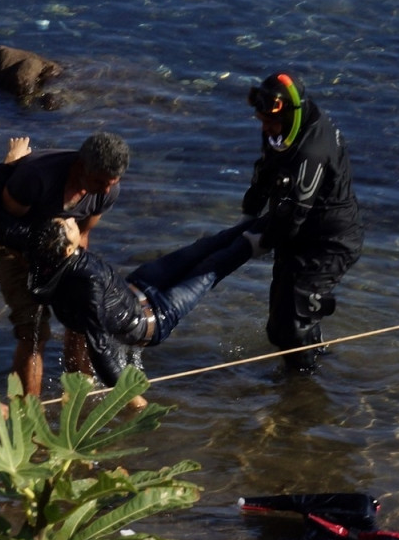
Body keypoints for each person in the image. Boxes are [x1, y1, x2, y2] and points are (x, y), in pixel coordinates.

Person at [27, 215, 261, 393]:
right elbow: (99, 348)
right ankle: (265, 234)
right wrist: (127, 395)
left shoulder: (43, 264)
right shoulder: (88, 281)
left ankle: (254, 221)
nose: (71, 219)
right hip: (157, 316)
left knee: (204, 247)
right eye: (68, 226)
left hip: (140, 284)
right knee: (211, 268)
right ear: (68, 250)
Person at [0, 132, 129, 397]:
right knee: (33, 331)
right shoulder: (36, 177)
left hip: (62, 253)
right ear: (81, 167)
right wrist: (38, 273)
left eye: (112, 183)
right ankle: (28, 413)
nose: (106, 190)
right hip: (13, 248)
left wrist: (79, 282)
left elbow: (82, 234)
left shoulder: (106, 190)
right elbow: (1, 227)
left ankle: (78, 393)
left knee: (81, 321)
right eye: (100, 181)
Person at [241, 71, 364, 371]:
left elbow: (296, 208)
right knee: (278, 326)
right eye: (262, 122)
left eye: (271, 122)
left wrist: (264, 242)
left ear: (290, 114)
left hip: (328, 245)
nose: (267, 129)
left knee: (293, 328)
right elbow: (267, 169)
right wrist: (249, 211)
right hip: (297, 238)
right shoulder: (279, 130)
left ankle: (303, 395)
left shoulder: (312, 148)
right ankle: (315, 362)